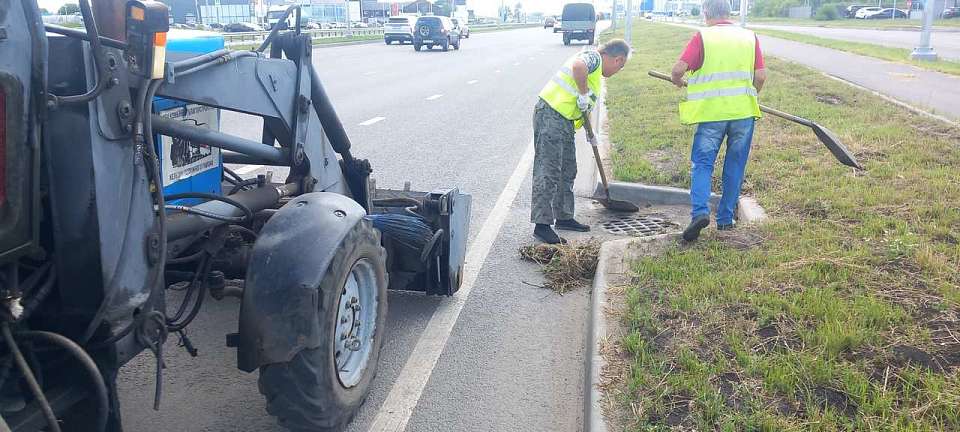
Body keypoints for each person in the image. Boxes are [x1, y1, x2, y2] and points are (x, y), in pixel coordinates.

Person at [670, 0, 767, 242]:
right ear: (729, 12)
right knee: (735, 165)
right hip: (743, 114)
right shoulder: (748, 36)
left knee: (703, 164)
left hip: (712, 115)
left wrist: (677, 80)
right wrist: (749, 94)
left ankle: (700, 213)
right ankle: (725, 220)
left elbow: (678, 69)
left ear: (705, 12)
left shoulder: (703, 37)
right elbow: (761, 76)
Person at [531, 39, 631, 244]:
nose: (617, 71)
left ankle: (564, 216)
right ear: (617, 59)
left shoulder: (595, 72)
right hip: (551, 115)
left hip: (564, 121)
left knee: (568, 170)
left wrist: (589, 131)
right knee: (548, 170)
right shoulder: (593, 57)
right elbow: (578, 67)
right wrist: (584, 94)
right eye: (620, 67)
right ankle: (542, 225)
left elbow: (580, 105)